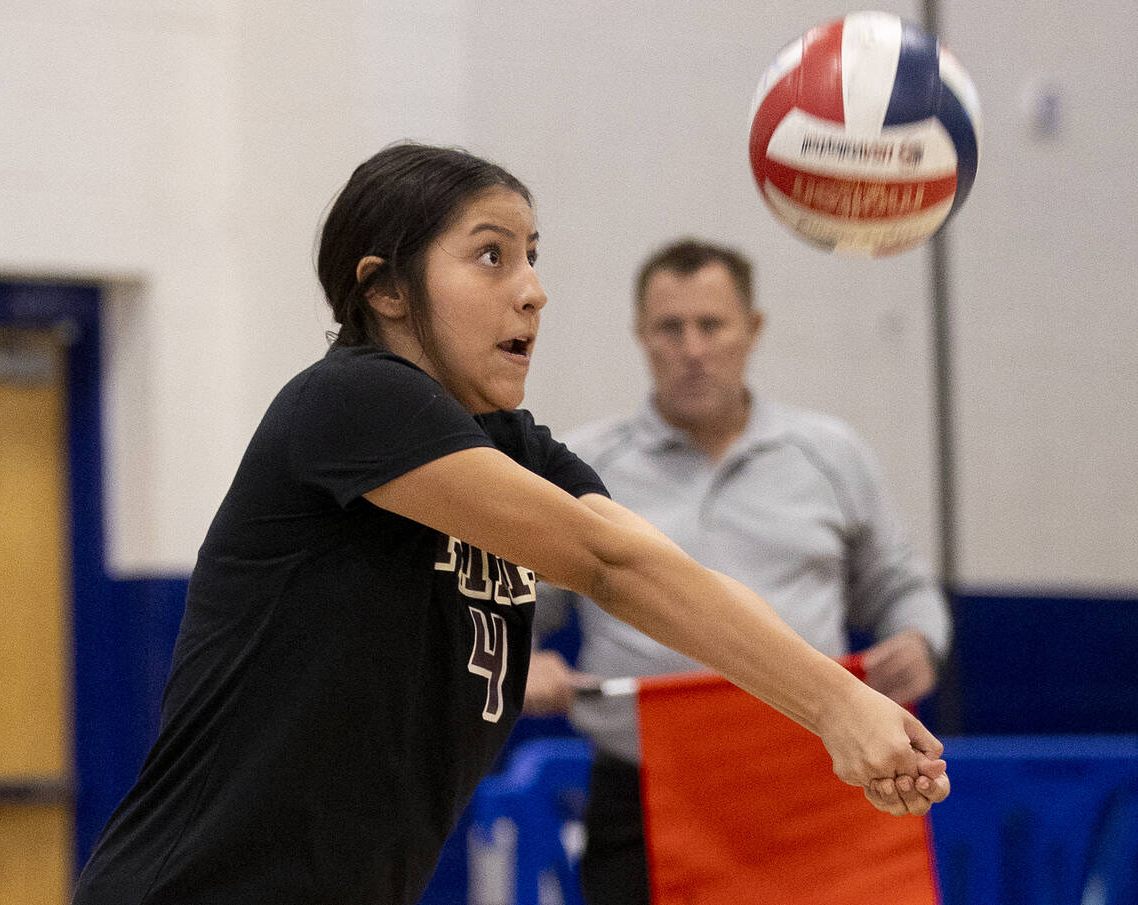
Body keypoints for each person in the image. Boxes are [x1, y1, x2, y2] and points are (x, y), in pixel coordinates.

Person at [72, 145, 949, 905]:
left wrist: (839, 707)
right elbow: (605, 564)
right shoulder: (350, 399)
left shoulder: (513, 447)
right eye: (490, 256)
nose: (532, 292)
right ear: (384, 290)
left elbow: (653, 566)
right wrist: (835, 704)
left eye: (532, 257)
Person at [524, 237, 953, 905]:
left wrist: (920, 641)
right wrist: (524, 664)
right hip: (644, 797)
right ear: (642, 335)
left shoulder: (830, 454)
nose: (692, 348)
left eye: (712, 325)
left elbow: (899, 584)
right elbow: (514, 605)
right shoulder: (582, 467)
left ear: (752, 330)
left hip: (817, 789)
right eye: (671, 327)